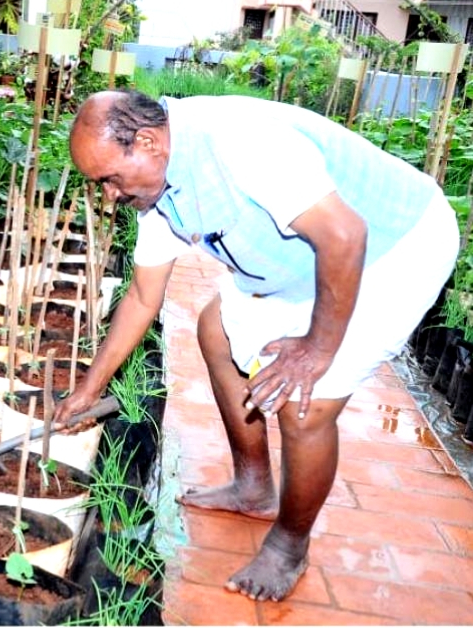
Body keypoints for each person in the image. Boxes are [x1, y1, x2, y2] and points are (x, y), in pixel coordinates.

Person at [54, 90, 457, 601]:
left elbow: (345, 236)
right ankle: (253, 485)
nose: (108, 194)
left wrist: (316, 348)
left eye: (109, 178)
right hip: (310, 262)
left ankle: (290, 544)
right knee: (215, 333)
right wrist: (89, 389)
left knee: (304, 404)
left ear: (149, 142)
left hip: (394, 247)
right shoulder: (159, 193)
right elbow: (140, 297)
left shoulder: (242, 144)